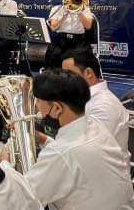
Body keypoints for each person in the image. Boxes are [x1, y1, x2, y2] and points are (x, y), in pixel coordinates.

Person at [8, 69, 134, 210]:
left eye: (37, 101)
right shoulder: (96, 126)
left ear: (57, 108)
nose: (36, 106)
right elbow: (73, 158)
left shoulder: (60, 153)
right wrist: (43, 139)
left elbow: (22, 200)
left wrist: (5, 163)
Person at [61, 48, 129, 156]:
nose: (64, 81)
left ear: (88, 73)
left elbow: (86, 151)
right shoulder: (87, 100)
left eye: (69, 75)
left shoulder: (103, 105)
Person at [46, 0, 94, 68]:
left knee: (81, 60)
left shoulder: (84, 9)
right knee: (53, 55)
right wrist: (64, 15)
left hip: (78, 41)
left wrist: (78, 11)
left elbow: (88, 26)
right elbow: (53, 28)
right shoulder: (56, 9)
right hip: (61, 40)